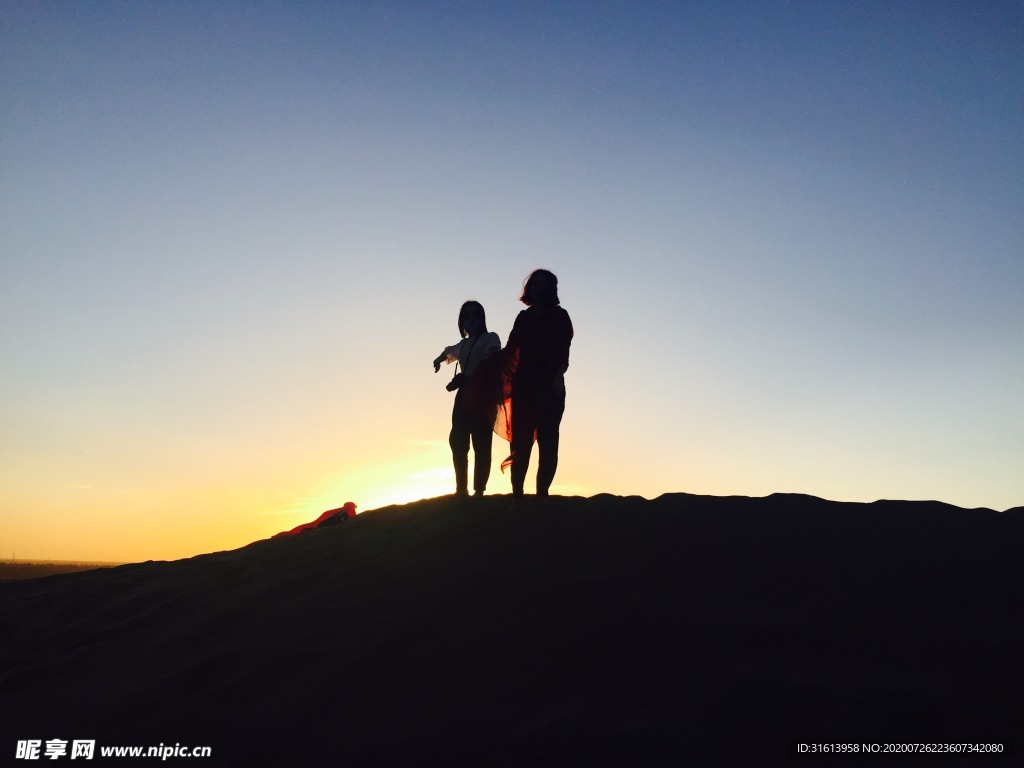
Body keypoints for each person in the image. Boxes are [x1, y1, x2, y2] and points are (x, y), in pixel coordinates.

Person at [499, 269, 573, 500]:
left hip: (550, 385)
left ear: (552, 288)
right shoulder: (523, 317)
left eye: (544, 283)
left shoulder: (560, 316)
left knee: (548, 441)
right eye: (535, 282)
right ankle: (517, 496)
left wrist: (556, 378)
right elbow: (511, 349)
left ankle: (542, 496)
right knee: (520, 443)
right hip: (523, 386)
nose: (539, 286)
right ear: (529, 287)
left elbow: (563, 350)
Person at [433, 301, 501, 497]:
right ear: (462, 321)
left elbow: (493, 361)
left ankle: (479, 491)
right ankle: (461, 489)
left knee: (481, 442)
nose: (472, 320)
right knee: (458, 440)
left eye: (476, 315)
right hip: (463, 394)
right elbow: (449, 350)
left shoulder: (490, 338)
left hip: (483, 393)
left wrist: (470, 377)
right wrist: (438, 360)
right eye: (467, 316)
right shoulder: (463, 344)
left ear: (483, 318)